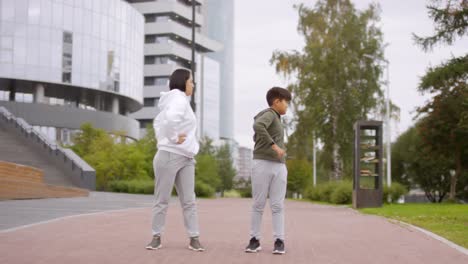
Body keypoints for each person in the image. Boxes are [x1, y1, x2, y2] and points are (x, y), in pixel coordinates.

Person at [145, 69, 204, 252]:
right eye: (191, 81)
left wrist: (171, 138)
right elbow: (169, 121)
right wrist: (172, 138)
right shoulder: (178, 98)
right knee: (163, 199)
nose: (193, 85)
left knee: (189, 200)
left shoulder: (176, 101)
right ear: (183, 82)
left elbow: (158, 123)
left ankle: (194, 237)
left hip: (186, 157)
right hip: (169, 155)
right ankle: (156, 237)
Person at [245, 87, 292, 255]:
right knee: (258, 204)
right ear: (277, 101)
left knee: (278, 205)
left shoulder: (277, 119)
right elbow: (258, 125)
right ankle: (254, 240)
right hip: (263, 163)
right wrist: (274, 146)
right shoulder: (270, 114)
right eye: (286, 102)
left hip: (279, 166)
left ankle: (279, 241)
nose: (287, 106)